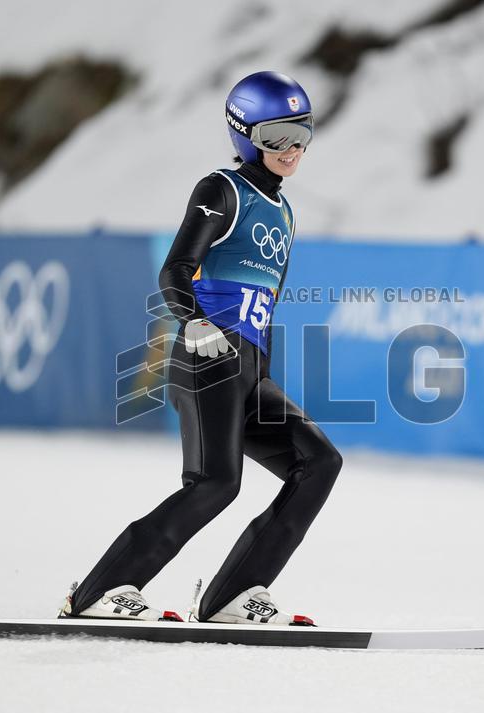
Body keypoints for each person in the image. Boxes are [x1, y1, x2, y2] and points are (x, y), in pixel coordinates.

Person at [60, 71, 342, 625]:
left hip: (248, 371)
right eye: (276, 136)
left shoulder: (284, 211)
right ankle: (99, 591)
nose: (292, 150)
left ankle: (232, 597)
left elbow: (269, 306)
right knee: (215, 484)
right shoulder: (223, 190)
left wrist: (259, 370)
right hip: (206, 358)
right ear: (245, 136)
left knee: (319, 462)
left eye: (302, 133)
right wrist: (192, 321)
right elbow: (175, 269)